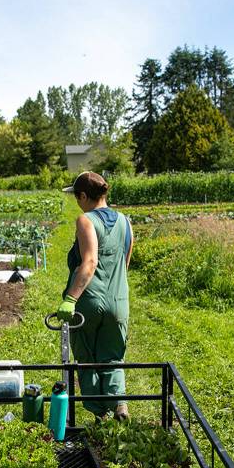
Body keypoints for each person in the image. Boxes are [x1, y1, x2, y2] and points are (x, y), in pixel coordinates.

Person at [55, 171, 133, 421]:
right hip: (119, 301)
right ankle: (120, 406)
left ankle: (100, 418)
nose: (77, 203)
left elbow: (89, 262)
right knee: (113, 356)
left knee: (87, 357)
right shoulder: (126, 222)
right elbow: (125, 263)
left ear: (85, 196)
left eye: (77, 197)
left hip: (89, 302)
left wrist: (71, 298)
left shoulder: (86, 220)